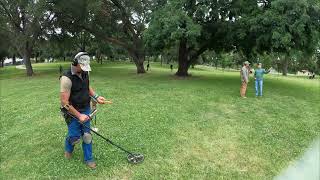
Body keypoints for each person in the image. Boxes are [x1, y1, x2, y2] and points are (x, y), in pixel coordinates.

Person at [60, 52, 112, 169]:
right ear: (75, 63)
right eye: (82, 67)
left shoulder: (85, 72)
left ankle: (89, 159)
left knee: (87, 136)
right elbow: (64, 102)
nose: (84, 70)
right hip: (72, 111)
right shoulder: (66, 79)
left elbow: (87, 86)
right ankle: (69, 148)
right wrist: (79, 115)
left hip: (85, 108)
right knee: (74, 138)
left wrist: (97, 97)